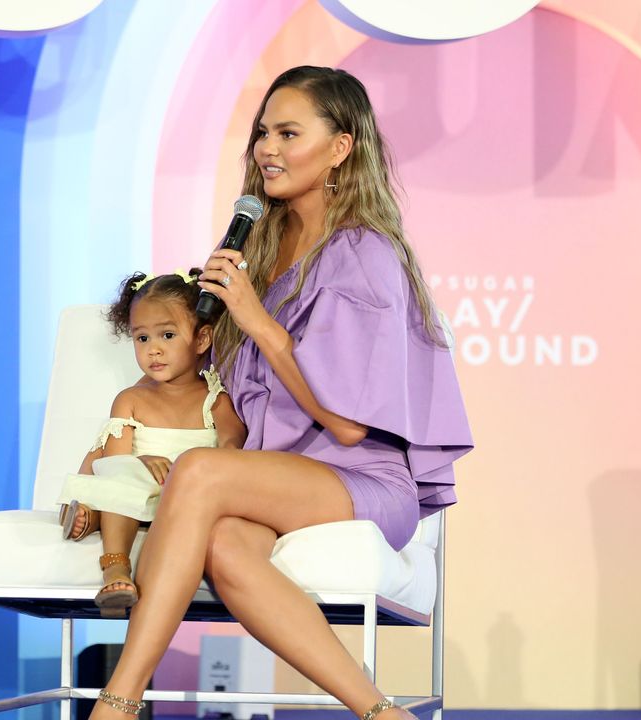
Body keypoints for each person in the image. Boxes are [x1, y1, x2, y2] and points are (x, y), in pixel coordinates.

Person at [87, 66, 473, 720]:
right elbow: (230, 404)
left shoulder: (364, 253)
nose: (267, 148)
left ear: (340, 147)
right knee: (226, 543)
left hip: (360, 478)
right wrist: (114, 468)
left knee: (203, 474)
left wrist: (258, 322)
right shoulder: (261, 249)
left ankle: (119, 701)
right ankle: (379, 712)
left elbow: (348, 427)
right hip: (279, 475)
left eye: (288, 132)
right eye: (262, 132)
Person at [58, 269, 246, 617]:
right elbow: (113, 463)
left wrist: (215, 463)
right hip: (134, 493)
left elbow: (234, 443)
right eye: (141, 339)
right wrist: (142, 461)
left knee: (120, 489)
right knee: (116, 480)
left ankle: (89, 513)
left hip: (185, 499)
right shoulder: (132, 399)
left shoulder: (214, 399)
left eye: (168, 335)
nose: (153, 350)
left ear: (202, 340)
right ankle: (115, 566)